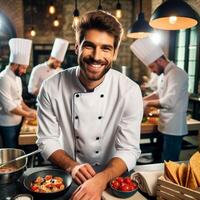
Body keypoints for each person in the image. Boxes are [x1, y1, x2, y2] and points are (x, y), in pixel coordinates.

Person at [37, 10, 143, 199]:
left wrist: (102, 179)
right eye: (89, 46)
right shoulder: (52, 87)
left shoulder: (129, 91)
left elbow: (129, 149)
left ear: (115, 53)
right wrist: (72, 166)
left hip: (112, 179)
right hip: (67, 175)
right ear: (77, 47)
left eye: (106, 48)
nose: (96, 56)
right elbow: (47, 140)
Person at [130, 37, 188, 162]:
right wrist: (139, 99)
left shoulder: (177, 73)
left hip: (174, 128)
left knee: (169, 162)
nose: (151, 70)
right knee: (159, 159)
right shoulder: (166, 74)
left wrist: (146, 103)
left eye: (151, 66)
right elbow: (158, 93)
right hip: (163, 125)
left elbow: (169, 102)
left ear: (160, 60)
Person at [0, 38, 36, 148]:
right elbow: (9, 107)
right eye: (23, 68)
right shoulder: (3, 78)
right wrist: (29, 114)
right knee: (12, 152)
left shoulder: (17, 78)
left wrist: (30, 110)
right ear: (15, 64)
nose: (24, 71)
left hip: (18, 120)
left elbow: (19, 100)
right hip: (7, 124)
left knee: (19, 149)